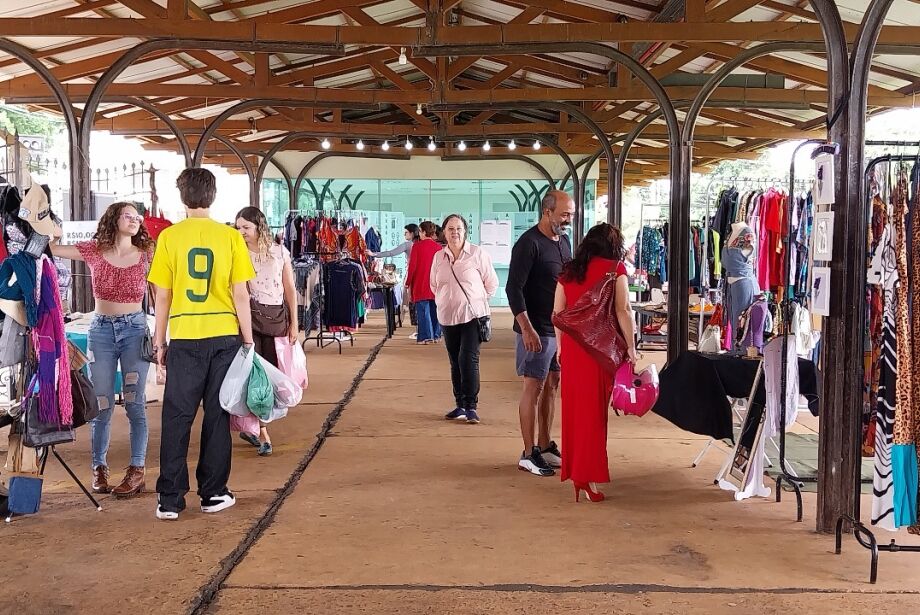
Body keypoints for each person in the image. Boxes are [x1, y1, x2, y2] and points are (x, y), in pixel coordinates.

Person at [148, 168, 256, 521]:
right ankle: (213, 493)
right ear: (213, 195)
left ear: (182, 197)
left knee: (176, 417)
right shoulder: (230, 237)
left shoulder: (169, 237)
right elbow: (241, 294)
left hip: (184, 336)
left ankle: (169, 499)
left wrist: (159, 342)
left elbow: (162, 296)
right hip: (224, 336)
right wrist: (248, 340)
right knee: (217, 414)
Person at [50, 202, 155, 498]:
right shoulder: (95, 249)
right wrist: (54, 230)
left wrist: (161, 335)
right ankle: (99, 467)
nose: (134, 220)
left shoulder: (147, 253)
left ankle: (137, 470)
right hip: (102, 331)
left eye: (137, 217)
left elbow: (160, 291)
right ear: (113, 219)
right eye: (127, 216)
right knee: (102, 403)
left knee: (135, 402)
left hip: (135, 330)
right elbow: (53, 248)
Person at [554, 223, 637, 503]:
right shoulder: (616, 270)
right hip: (599, 352)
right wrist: (631, 347)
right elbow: (623, 310)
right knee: (593, 417)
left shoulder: (568, 272)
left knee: (574, 414)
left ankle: (577, 474)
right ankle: (585, 477)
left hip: (573, 349)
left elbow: (558, 313)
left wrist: (560, 348)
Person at [506, 190, 575, 477]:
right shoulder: (528, 243)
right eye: (564, 214)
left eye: (571, 215)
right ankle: (528, 452)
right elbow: (513, 289)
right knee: (533, 388)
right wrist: (526, 329)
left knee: (552, 385)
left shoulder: (564, 242)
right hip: (536, 330)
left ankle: (545, 445)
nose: (568, 220)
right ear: (547, 212)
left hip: (558, 330)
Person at [235, 206, 299, 457]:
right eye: (238, 227)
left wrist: (295, 323)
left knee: (274, 372)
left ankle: (255, 425)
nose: (241, 232)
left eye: (246, 227)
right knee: (254, 375)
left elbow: (290, 288)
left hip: (276, 319)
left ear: (259, 226)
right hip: (248, 319)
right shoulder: (237, 253)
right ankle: (262, 432)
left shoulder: (279, 252)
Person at [430, 214, 498, 425]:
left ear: (465, 231)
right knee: (454, 361)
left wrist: (476, 302)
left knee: (468, 359)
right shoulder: (438, 257)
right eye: (450, 229)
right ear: (444, 232)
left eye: (459, 228)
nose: (455, 232)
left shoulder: (477, 254)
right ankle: (459, 404)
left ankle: (471, 406)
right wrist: (446, 301)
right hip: (447, 317)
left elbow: (491, 284)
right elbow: (434, 285)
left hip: (472, 316)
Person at [371, 223, 421, 334]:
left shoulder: (409, 245)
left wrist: (374, 254)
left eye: (406, 233)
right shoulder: (420, 244)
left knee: (413, 302)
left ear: (412, 233)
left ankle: (419, 329)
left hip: (412, 275)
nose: (404, 235)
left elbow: (391, 253)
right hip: (423, 276)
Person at [405, 221, 443, 344]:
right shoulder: (439, 248)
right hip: (436, 284)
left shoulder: (417, 247)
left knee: (423, 311)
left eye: (420, 231)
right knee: (435, 311)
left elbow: (412, 267)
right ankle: (436, 335)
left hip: (420, 283)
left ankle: (426, 336)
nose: (419, 234)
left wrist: (407, 283)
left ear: (425, 232)